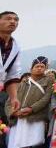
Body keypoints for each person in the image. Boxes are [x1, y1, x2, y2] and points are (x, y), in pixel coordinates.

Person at [7, 57, 52, 148]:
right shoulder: (22, 82)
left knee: (34, 144)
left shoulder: (49, 81)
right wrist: (13, 113)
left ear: (45, 68)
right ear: (31, 68)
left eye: (42, 66)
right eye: (37, 66)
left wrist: (31, 109)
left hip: (35, 119)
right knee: (16, 144)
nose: (39, 68)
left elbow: (46, 98)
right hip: (18, 120)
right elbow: (10, 101)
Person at [0, 10, 22, 141]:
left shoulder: (15, 47)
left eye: (16, 19)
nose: (13, 21)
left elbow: (13, 75)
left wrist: (14, 97)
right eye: (8, 18)